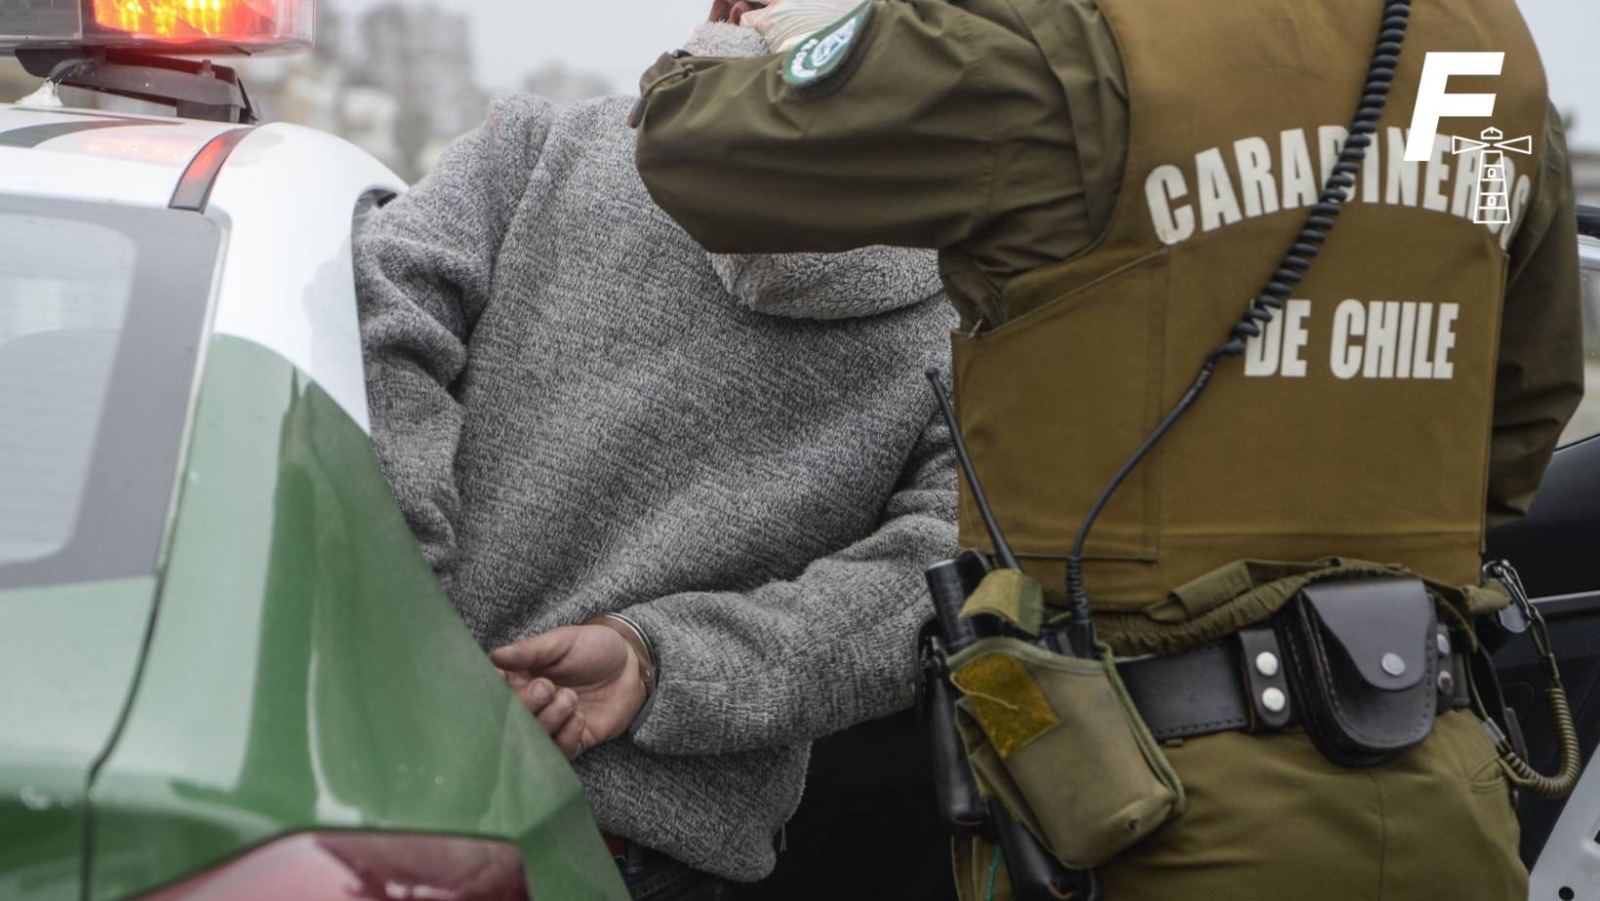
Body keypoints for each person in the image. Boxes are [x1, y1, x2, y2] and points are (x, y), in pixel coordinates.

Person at [629, 0, 1586, 898]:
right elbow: (1520, 413)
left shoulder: (1068, 36)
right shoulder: (1480, 47)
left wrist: (814, 35)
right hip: (1446, 793)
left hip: (1146, 809)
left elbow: (697, 146)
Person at [355, 20, 963, 899]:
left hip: (363, 779)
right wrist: (656, 663)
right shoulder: (968, 321)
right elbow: (941, 578)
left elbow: (367, 322)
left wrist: (410, 613)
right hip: (639, 858)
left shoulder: (537, 146)